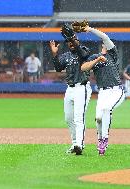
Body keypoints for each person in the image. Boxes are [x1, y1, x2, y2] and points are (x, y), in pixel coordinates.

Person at [79, 25, 125, 156]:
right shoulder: (95, 57)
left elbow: (105, 36)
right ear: (102, 46)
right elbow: (83, 68)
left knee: (106, 110)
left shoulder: (113, 55)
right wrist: (97, 60)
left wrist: (90, 29)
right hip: (103, 92)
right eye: (105, 43)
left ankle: (105, 139)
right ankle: (100, 139)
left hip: (116, 90)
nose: (107, 43)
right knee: (98, 118)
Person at [49, 24, 92, 155]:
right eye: (68, 42)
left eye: (73, 41)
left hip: (82, 87)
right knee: (68, 118)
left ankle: (80, 144)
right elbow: (58, 68)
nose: (71, 43)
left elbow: (83, 55)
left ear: (77, 41)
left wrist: (72, 37)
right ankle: (74, 144)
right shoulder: (66, 55)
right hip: (70, 89)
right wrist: (55, 54)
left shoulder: (83, 50)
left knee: (79, 117)